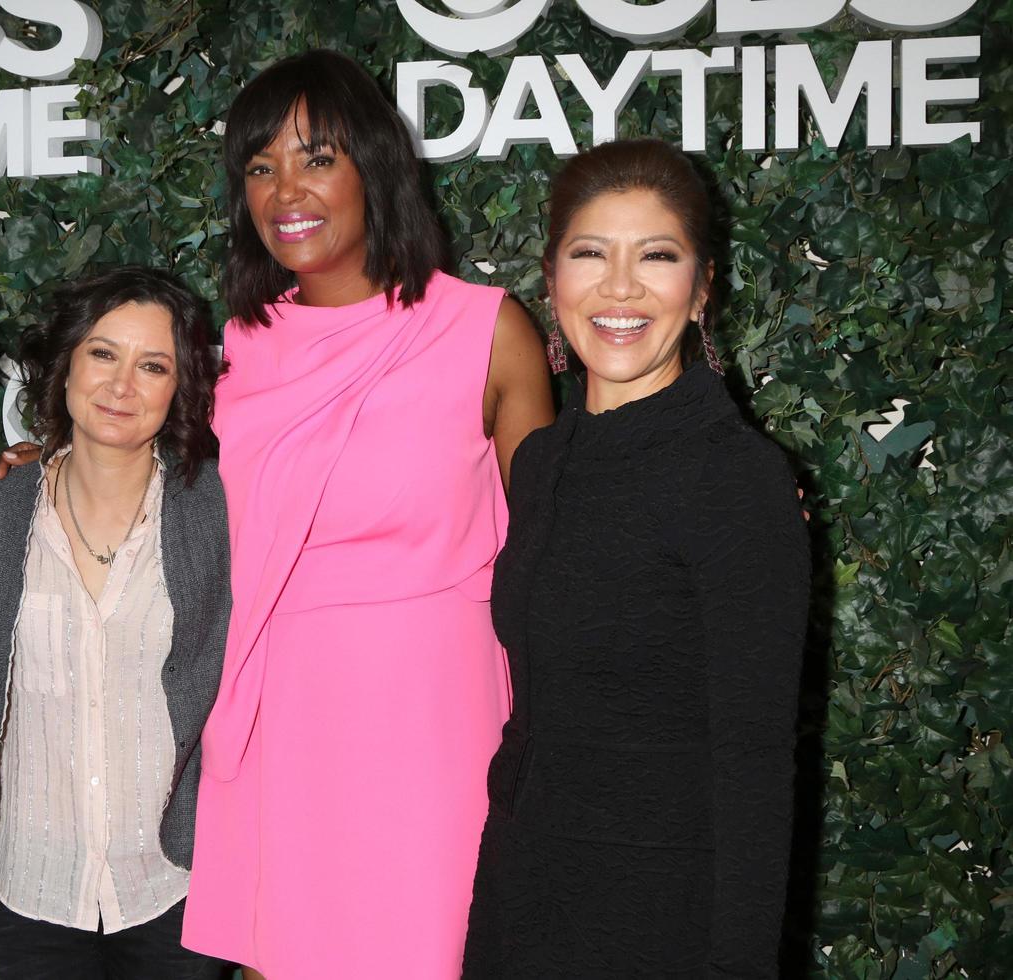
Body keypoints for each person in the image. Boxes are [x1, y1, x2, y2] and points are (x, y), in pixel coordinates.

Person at [176, 50, 554, 978]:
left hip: (439, 716)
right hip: (285, 714)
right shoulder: (230, 351)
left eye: (314, 158)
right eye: (259, 167)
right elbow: (145, 487)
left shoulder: (487, 331)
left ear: (373, 167)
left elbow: (557, 543)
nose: (283, 190)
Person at [462, 139, 811, 978]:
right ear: (551, 282)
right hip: (525, 896)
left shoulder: (735, 478)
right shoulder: (544, 461)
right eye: (591, 254)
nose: (620, 288)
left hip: (665, 918)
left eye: (657, 256)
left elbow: (755, 762)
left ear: (701, 290)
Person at [0, 266, 230, 979]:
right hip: (35, 883)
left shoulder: (217, 517)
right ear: (66, 362)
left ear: (180, 388)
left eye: (153, 365)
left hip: (174, 881)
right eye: (104, 354)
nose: (122, 386)